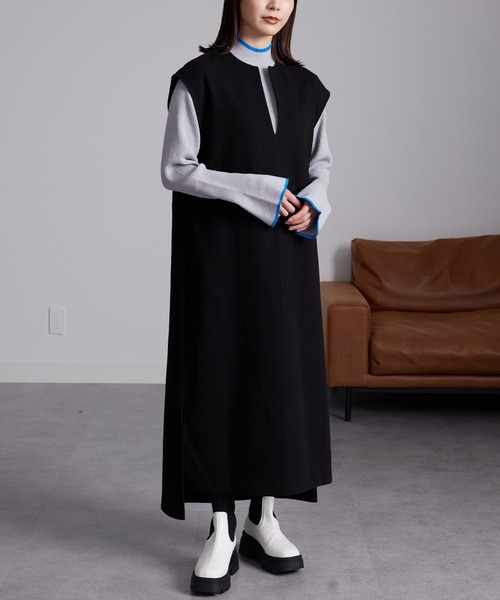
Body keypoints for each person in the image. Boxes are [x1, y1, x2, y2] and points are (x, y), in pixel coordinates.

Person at [160, 0, 333, 594]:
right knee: (220, 376)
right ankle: (220, 525)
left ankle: (263, 516)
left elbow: (321, 166)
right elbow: (177, 168)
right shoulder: (199, 79)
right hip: (219, 259)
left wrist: (314, 205)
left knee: (276, 379)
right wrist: (260, 191)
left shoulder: (308, 87)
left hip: (286, 258)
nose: (275, 3)